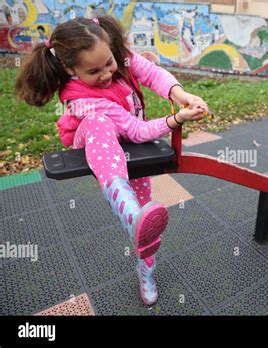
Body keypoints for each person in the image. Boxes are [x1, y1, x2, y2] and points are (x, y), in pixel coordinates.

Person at [15, 16, 208, 305]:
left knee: (146, 225)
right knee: (98, 123)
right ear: (70, 69)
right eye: (93, 71)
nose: (106, 73)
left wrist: (181, 95)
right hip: (93, 138)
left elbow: (153, 74)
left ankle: (145, 268)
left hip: (128, 144)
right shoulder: (79, 99)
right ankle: (127, 210)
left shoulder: (118, 56)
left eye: (109, 63)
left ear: (111, 48)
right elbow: (135, 129)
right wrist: (175, 119)